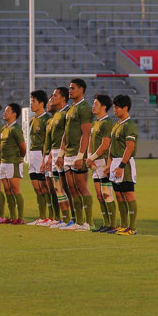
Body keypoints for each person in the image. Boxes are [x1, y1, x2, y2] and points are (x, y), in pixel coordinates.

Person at [60, 79, 94, 231]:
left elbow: (86, 133)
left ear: (81, 90)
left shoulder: (85, 108)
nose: (70, 90)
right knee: (71, 188)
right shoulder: (70, 109)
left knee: (81, 187)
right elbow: (65, 133)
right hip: (68, 153)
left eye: (73, 88)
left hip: (77, 153)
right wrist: (61, 154)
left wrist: (81, 156)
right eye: (69, 88)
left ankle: (89, 222)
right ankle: (79, 222)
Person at [109, 95, 139, 234]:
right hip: (115, 162)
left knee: (128, 195)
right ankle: (123, 225)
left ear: (125, 108)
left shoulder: (129, 125)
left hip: (124, 164)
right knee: (119, 196)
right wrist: (109, 165)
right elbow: (112, 146)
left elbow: (130, 147)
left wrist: (121, 166)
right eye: (114, 107)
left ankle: (132, 228)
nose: (114, 110)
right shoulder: (117, 124)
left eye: (117, 107)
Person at [86, 95, 115, 232]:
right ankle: (105, 223)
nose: (93, 106)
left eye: (96, 104)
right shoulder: (95, 123)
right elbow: (90, 142)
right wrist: (89, 158)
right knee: (99, 195)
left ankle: (112, 224)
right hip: (94, 162)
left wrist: (91, 158)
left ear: (104, 107)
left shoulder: (107, 123)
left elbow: (105, 145)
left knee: (106, 194)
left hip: (103, 162)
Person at [46, 88, 73, 228]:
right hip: (55, 152)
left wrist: (61, 154)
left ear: (63, 98)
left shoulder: (67, 112)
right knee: (57, 187)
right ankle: (65, 218)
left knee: (67, 187)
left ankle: (74, 218)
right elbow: (54, 139)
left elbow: (68, 134)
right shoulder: (56, 115)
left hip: (64, 153)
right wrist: (51, 155)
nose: (52, 97)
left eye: (55, 95)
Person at [0, 103, 27, 224]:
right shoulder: (4, 128)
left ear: (14, 114)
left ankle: (20, 218)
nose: (4, 113)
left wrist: (19, 157)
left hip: (13, 163)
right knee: (7, 190)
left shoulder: (16, 129)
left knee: (15, 189)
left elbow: (23, 147)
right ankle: (12, 216)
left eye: (7, 111)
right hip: (3, 162)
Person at [27, 90, 52, 226]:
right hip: (32, 154)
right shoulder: (32, 119)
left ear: (41, 103)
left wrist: (45, 158)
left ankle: (51, 217)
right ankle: (42, 217)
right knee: (37, 188)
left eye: (34, 101)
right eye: (31, 101)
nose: (31, 104)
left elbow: (48, 140)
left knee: (45, 188)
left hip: (42, 154)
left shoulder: (46, 119)